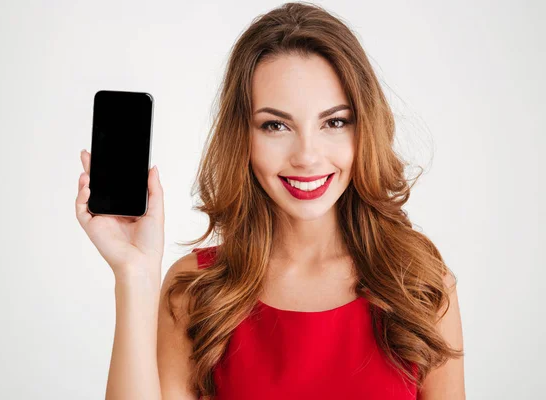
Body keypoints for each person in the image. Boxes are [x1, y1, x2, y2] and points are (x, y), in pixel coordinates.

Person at [76, 2, 465, 399]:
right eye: (276, 125)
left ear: (363, 128)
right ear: (243, 137)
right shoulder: (196, 290)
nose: (307, 156)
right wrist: (135, 275)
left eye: (334, 122)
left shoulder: (420, 285)